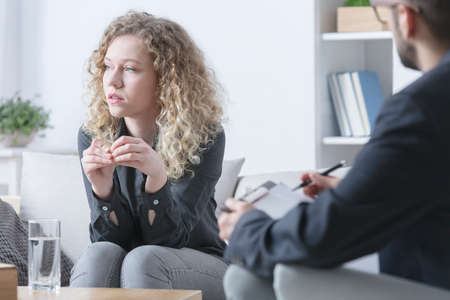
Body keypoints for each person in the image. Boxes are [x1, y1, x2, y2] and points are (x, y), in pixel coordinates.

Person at [219, 0, 450, 298]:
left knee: (249, 277)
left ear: (406, 18)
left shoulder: (422, 108)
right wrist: (359, 189)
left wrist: (247, 227)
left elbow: (321, 239)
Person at [70, 11, 228, 300]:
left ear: (166, 79)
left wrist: (156, 178)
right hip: (134, 261)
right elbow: (108, 241)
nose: (112, 81)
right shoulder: (93, 134)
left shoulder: (204, 136)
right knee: (99, 255)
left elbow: (170, 239)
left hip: (198, 264)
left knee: (144, 259)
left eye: (129, 69)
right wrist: (102, 190)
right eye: (107, 66)